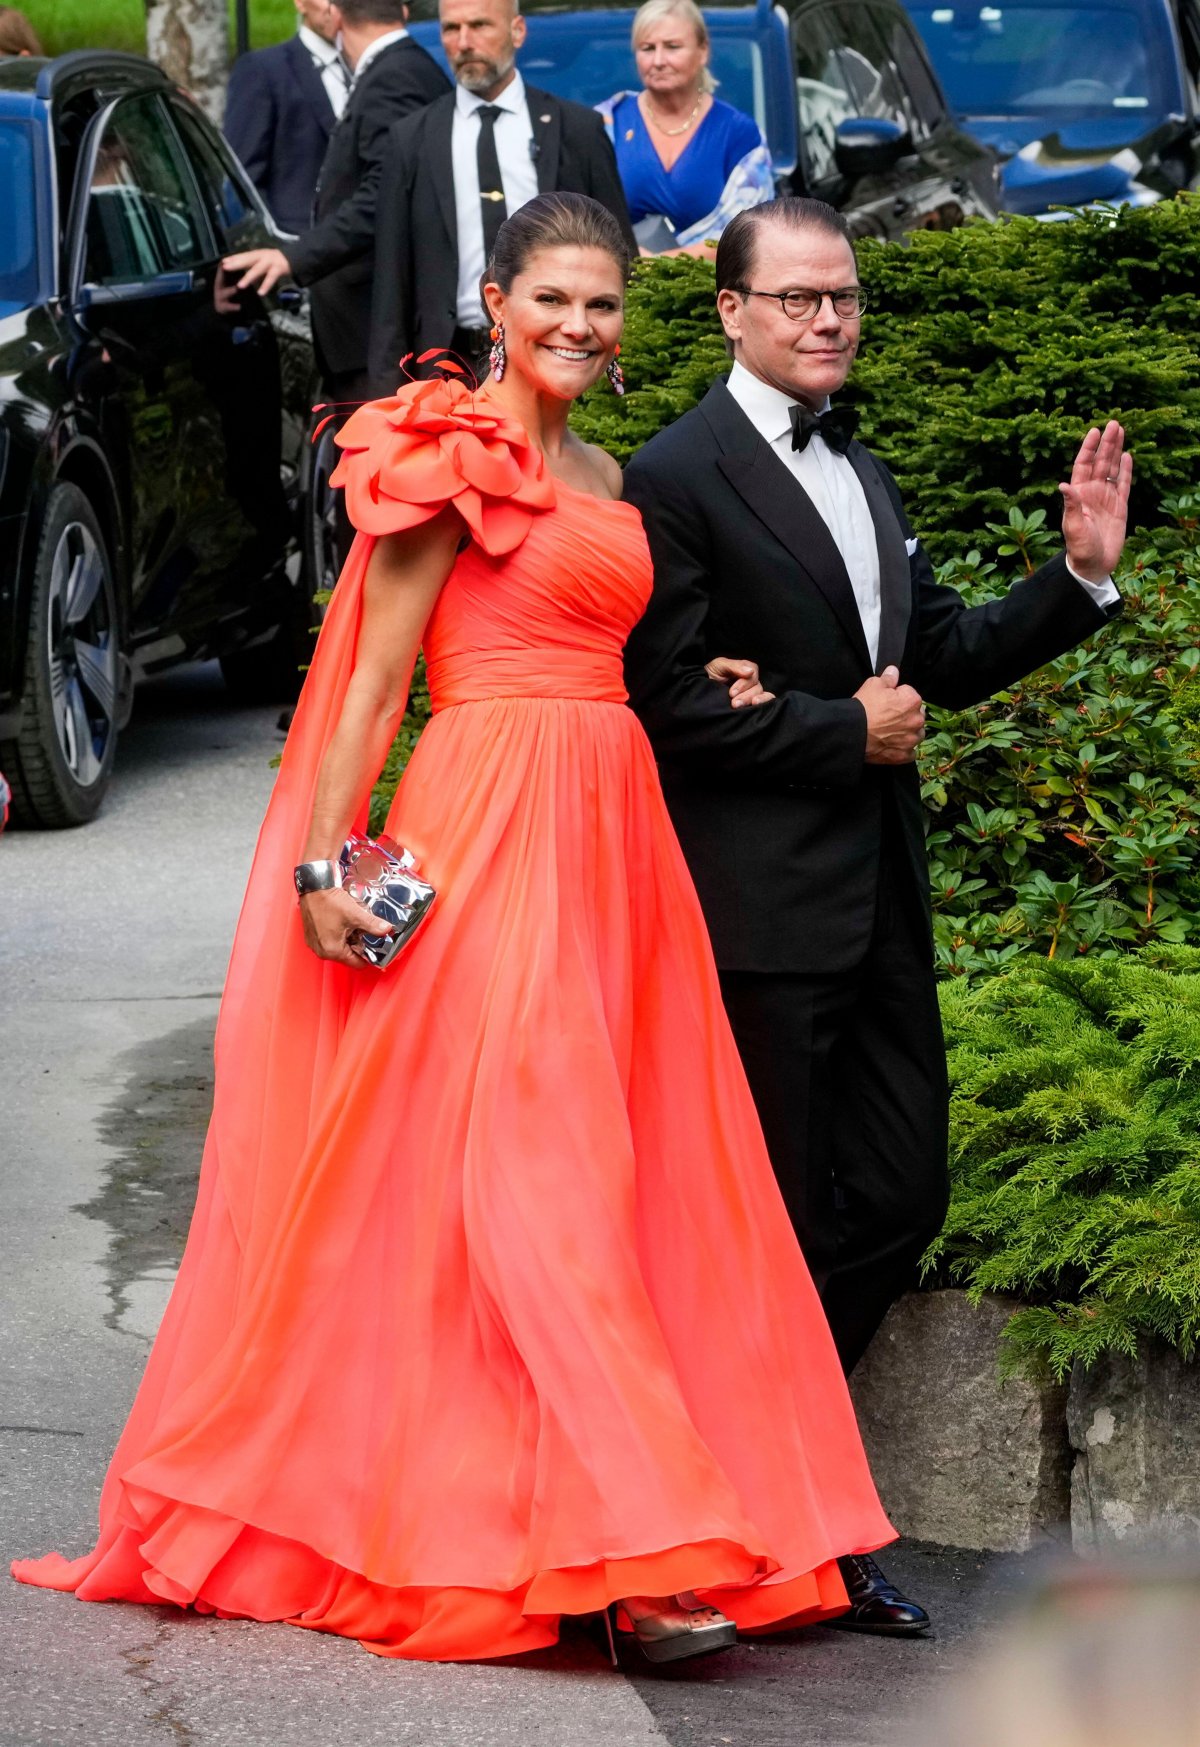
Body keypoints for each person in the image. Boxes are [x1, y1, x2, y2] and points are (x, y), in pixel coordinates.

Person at [12, 192, 894, 1666]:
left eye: (603, 304)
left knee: (619, 1186)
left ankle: (572, 1524)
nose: (579, 325)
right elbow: (371, 683)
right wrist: (320, 867)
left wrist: (719, 677)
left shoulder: (610, 473)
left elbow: (629, 654)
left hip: (618, 839)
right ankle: (644, 1557)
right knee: (544, 1182)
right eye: (553, 298)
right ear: (498, 301)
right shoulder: (445, 453)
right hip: (489, 827)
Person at [622, 195, 1129, 1631]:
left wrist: (1080, 577)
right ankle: (785, 1528)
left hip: (883, 910)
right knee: (771, 1230)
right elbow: (662, 706)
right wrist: (842, 730)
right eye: (798, 297)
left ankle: (771, 1483)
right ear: (730, 310)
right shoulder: (675, 475)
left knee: (902, 1197)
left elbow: (938, 657)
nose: (829, 318)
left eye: (844, 295)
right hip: (759, 918)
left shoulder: (864, 466)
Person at [365, 0, 635, 390]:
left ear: (517, 31)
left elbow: (620, 256)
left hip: (561, 354)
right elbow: (391, 279)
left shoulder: (577, 130)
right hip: (446, 365)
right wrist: (385, 393)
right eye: (451, 29)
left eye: (479, 25)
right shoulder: (411, 139)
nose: (464, 42)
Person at [226, 0, 449, 405]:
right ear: (402, 11)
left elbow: (385, 194)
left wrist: (293, 257)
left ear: (337, 16)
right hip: (362, 327)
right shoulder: (405, 68)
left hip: (371, 326)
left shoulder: (393, 77)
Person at [597, 0, 773, 259]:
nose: (658, 61)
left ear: (703, 51)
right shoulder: (606, 124)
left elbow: (754, 236)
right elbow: (579, 220)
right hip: (619, 279)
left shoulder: (740, 135)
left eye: (672, 47)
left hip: (714, 281)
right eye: (647, 48)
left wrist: (658, 264)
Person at [223, 0, 352, 238]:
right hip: (293, 240)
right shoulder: (263, 69)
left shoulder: (372, 68)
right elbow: (242, 175)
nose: (334, 7)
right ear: (300, 3)